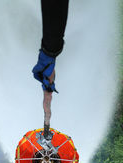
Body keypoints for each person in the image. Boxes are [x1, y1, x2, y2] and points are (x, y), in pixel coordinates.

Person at [32, 0, 69, 140]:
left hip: (51, 47)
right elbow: (47, 108)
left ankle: (46, 132)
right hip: (50, 47)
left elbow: (47, 109)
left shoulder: (47, 87)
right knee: (54, 16)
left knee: (55, 16)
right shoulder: (47, 83)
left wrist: (46, 124)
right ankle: (46, 132)